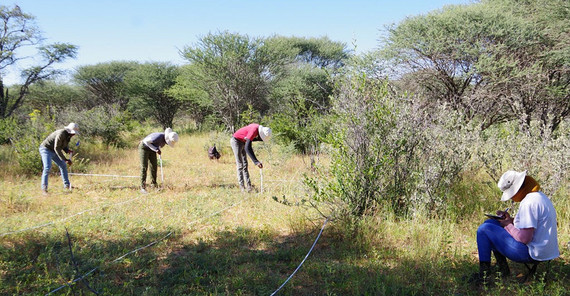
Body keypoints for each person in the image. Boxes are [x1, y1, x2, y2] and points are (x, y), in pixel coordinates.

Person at [471, 170, 559, 284]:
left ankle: (484, 276)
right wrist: (510, 220)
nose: (512, 198)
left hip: (533, 253)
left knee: (484, 230)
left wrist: (508, 225)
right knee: (490, 224)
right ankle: (502, 269)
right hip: (544, 249)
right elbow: (531, 224)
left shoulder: (529, 202)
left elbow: (524, 238)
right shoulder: (538, 196)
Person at [39, 123, 79, 194]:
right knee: (47, 167)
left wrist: (67, 150)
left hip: (54, 150)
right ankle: (44, 189)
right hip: (46, 149)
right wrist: (65, 159)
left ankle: (67, 186)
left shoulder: (68, 136)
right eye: (73, 133)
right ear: (69, 130)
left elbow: (63, 145)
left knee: (63, 165)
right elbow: (57, 147)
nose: (74, 135)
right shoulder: (61, 134)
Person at [230, 123, 271, 192]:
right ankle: (242, 187)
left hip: (243, 141)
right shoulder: (254, 130)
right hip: (236, 141)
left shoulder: (256, 128)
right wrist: (256, 161)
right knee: (240, 165)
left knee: (245, 165)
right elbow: (247, 147)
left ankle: (249, 187)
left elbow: (249, 137)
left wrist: (256, 161)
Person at [139, 128, 179, 193]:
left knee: (154, 166)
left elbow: (158, 146)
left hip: (152, 150)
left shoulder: (164, 142)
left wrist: (157, 150)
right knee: (144, 167)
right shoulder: (158, 137)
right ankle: (142, 187)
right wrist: (155, 149)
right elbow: (146, 142)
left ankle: (154, 184)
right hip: (144, 148)